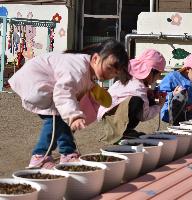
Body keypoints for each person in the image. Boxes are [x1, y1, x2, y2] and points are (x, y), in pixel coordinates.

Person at [8, 39, 130, 168]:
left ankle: (67, 153)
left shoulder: (86, 68)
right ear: (95, 58)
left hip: (40, 82)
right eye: (109, 68)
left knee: (61, 120)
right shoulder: (78, 70)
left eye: (115, 73)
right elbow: (63, 93)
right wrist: (74, 115)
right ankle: (40, 156)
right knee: (55, 119)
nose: (109, 74)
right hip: (36, 83)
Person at [97, 49, 166, 144]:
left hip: (107, 115)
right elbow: (144, 116)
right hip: (114, 120)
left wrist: (149, 93)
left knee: (140, 99)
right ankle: (123, 132)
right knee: (137, 101)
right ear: (150, 72)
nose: (158, 77)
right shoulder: (139, 89)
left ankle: (126, 131)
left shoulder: (128, 79)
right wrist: (159, 106)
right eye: (159, 74)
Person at [159, 46, 192, 125]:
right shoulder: (172, 77)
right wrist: (173, 94)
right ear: (188, 69)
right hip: (171, 115)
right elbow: (161, 94)